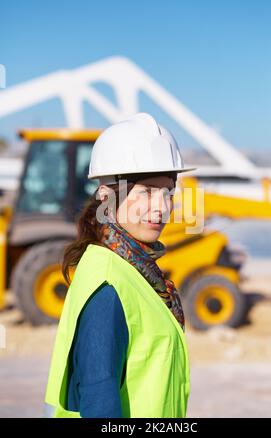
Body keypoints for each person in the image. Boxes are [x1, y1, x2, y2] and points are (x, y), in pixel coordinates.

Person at [44, 112, 196, 418]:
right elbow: (98, 395)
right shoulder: (108, 283)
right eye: (147, 192)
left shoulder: (135, 272)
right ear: (106, 196)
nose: (162, 208)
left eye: (168, 193)